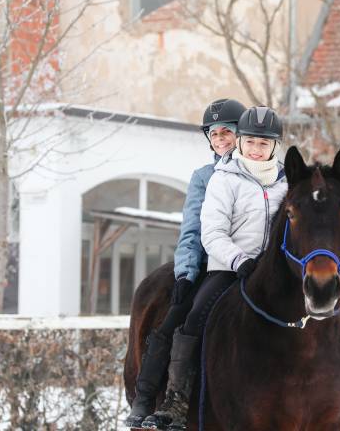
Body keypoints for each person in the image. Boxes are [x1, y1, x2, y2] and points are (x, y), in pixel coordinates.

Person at [140, 106, 288, 430]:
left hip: (273, 273)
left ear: (275, 146)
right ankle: (176, 399)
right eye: (250, 142)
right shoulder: (223, 178)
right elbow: (210, 231)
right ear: (242, 143)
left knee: (326, 309)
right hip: (228, 268)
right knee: (193, 319)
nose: (255, 149)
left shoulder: (286, 183)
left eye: (264, 144)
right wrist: (239, 260)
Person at [124, 98, 246, 428]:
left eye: (227, 133)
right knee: (174, 321)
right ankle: (148, 398)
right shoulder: (204, 177)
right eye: (214, 134)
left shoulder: (261, 172)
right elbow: (191, 229)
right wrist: (185, 274)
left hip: (253, 267)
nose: (220, 140)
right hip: (212, 265)